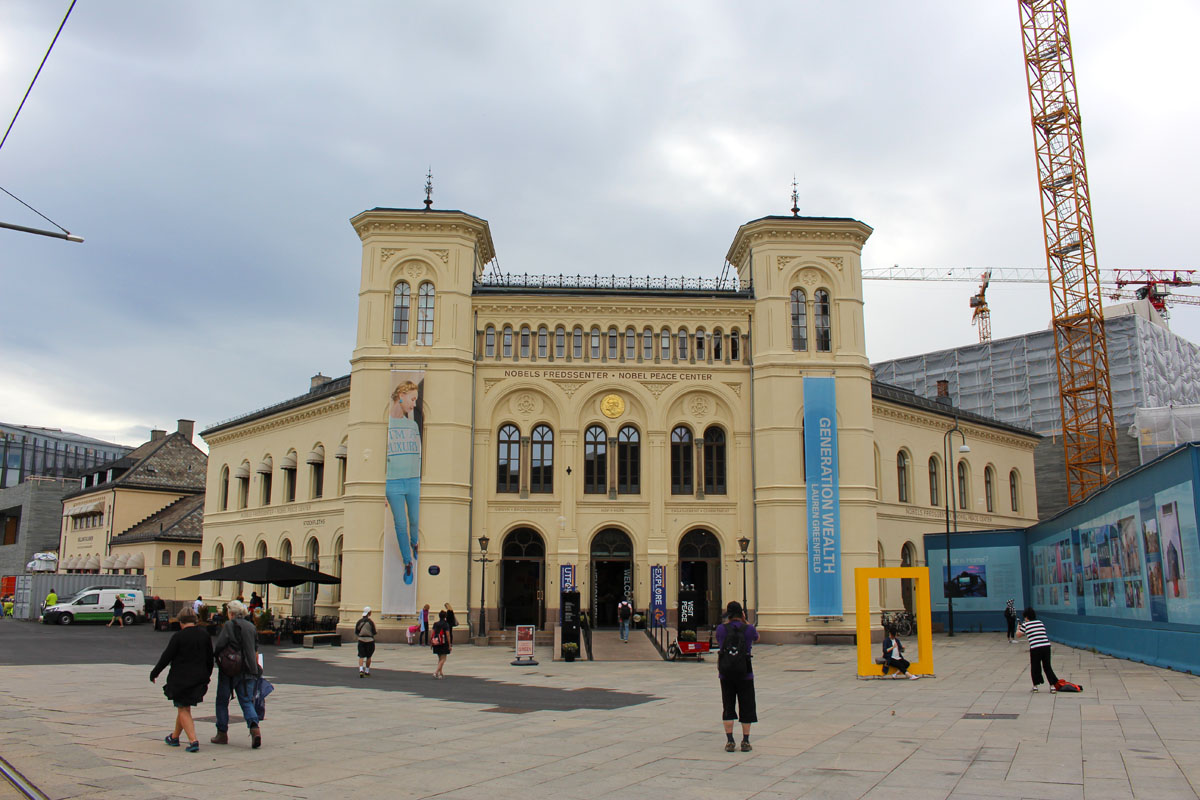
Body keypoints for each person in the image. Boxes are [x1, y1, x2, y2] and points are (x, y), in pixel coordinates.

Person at [150, 606, 214, 753]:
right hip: (199, 678)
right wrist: (207, 676)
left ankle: (193, 741)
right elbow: (210, 658)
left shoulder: (178, 636)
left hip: (181, 679)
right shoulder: (204, 635)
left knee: (183, 708)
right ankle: (174, 737)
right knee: (184, 708)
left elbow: (166, 657)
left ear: (181, 622)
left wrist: (155, 673)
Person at [211, 600, 263, 747]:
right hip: (249, 668)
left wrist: (216, 657)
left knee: (222, 700)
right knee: (246, 700)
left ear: (232, 613)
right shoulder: (251, 626)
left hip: (230, 668)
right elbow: (255, 648)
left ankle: (222, 733)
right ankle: (254, 728)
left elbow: (220, 645)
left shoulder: (229, 625)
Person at [386, 380, 422, 585]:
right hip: (392, 482)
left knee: (414, 520)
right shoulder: (385, 424)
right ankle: (408, 562)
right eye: (412, 399)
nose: (414, 404)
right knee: (400, 524)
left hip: (413, 480)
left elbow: (418, 454)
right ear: (401, 396)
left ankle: (414, 542)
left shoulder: (412, 425)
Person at [716, 600, 758, 752]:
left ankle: (730, 741)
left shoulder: (721, 629)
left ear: (728, 615)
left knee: (728, 705)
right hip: (745, 673)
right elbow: (756, 638)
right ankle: (745, 741)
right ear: (742, 614)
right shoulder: (749, 629)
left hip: (726, 673)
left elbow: (719, 642)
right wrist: (745, 622)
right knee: (747, 706)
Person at [1017, 607, 1059, 692]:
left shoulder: (1025, 624)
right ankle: (1052, 686)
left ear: (1026, 617)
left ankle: (1035, 686)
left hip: (1035, 648)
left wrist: (1018, 628)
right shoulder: (1040, 622)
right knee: (1047, 666)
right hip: (1046, 646)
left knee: (1035, 666)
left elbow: (1018, 635)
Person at [356, 606, 377, 678]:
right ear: (369, 613)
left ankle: (361, 670)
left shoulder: (359, 621)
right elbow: (374, 632)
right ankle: (367, 671)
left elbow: (356, 631)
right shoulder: (370, 622)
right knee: (369, 656)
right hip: (370, 640)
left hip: (361, 640)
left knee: (361, 656)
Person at [431, 609, 451, 679]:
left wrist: (431, 642)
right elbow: (448, 635)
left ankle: (440, 673)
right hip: (443, 643)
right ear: (445, 617)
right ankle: (436, 672)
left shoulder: (435, 624)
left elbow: (432, 633)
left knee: (440, 658)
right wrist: (449, 644)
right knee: (443, 659)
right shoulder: (446, 624)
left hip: (436, 642)